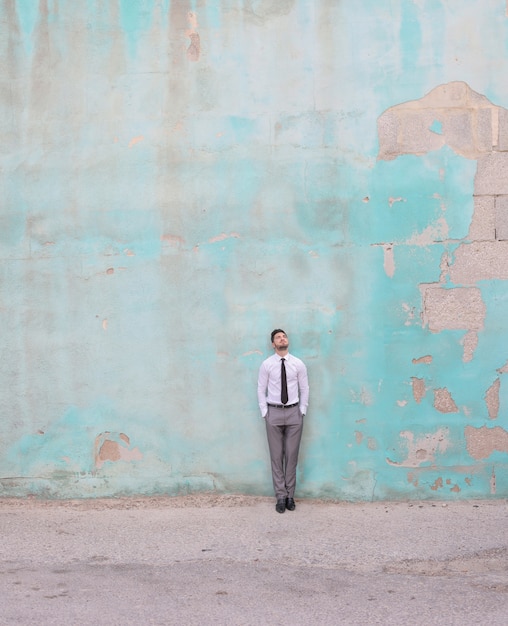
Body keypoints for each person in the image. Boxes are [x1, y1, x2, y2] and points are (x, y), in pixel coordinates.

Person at [257, 329, 309, 513]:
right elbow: (261, 388)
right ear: (273, 344)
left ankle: (290, 496)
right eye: (278, 337)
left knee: (292, 456)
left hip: (294, 412)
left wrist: (302, 410)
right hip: (274, 413)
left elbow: (305, 388)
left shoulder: (298, 364)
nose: (282, 338)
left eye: (284, 336)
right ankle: (280, 496)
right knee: (276, 456)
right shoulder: (267, 365)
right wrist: (265, 412)